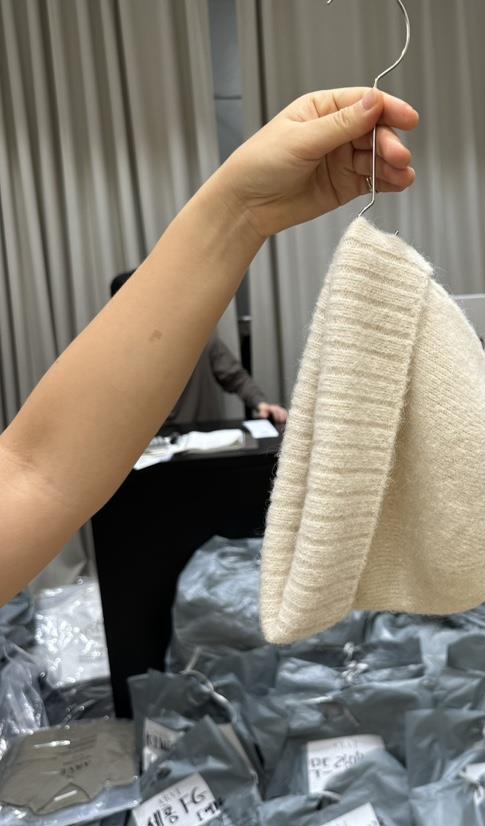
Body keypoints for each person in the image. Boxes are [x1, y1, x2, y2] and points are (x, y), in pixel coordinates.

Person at [0, 87, 419, 604]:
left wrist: (241, 209)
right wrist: (240, 209)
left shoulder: (202, 344)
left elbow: (35, 471)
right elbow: (38, 473)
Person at [110, 271, 287, 426]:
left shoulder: (198, 337)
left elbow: (235, 377)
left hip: (201, 441)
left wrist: (261, 404)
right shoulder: (115, 355)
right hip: (146, 447)